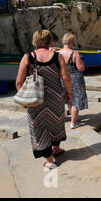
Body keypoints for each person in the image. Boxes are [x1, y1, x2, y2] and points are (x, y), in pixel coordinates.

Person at [15, 30, 72, 170]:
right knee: (56, 123)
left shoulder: (28, 57)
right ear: (49, 40)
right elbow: (65, 78)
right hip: (56, 97)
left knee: (39, 128)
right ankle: (56, 148)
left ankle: (50, 160)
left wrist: (24, 99)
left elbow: (19, 81)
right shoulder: (57, 56)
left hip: (36, 100)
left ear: (35, 40)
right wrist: (69, 93)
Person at [59, 33, 88, 129]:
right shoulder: (74, 53)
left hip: (63, 78)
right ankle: (73, 123)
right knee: (76, 100)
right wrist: (83, 65)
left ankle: (73, 118)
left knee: (69, 99)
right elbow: (80, 68)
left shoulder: (57, 53)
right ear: (71, 42)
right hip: (75, 78)